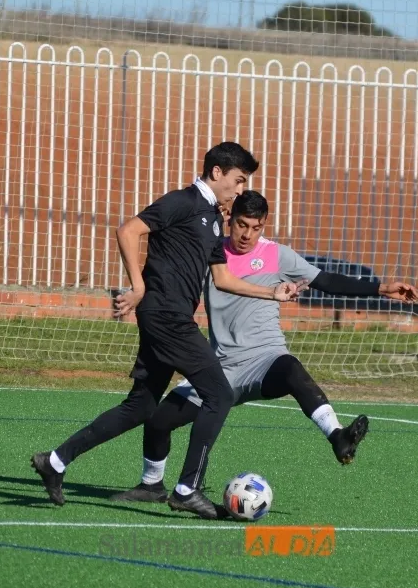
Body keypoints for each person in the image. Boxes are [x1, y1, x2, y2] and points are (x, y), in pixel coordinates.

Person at [31, 143, 304, 520]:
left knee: (140, 407)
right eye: (238, 180)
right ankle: (186, 489)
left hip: (170, 318)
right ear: (216, 173)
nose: (240, 190)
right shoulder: (182, 201)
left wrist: (271, 292)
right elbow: (128, 230)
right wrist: (138, 285)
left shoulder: (210, 217)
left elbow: (223, 278)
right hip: (165, 316)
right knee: (219, 394)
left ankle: (56, 461)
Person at [109, 190, 418, 504]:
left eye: (256, 227)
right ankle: (152, 485)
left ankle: (337, 435)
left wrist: (381, 288)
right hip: (219, 367)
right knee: (158, 421)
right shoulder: (211, 251)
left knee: (290, 368)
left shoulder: (277, 255)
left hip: (265, 360)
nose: (247, 234)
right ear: (229, 220)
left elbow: (325, 280)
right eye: (242, 225)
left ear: (264, 226)